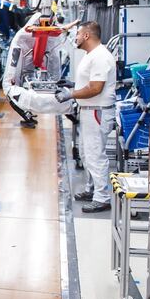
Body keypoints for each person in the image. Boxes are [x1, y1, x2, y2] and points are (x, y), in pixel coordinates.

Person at [55, 21, 117, 213]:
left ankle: (102, 198)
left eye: (79, 34)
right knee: (86, 154)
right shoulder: (92, 55)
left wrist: (70, 94)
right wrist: (73, 84)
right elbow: (90, 81)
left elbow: (95, 88)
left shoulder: (100, 56)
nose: (77, 37)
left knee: (95, 155)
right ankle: (92, 190)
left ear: (87, 36)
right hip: (90, 111)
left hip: (97, 111)